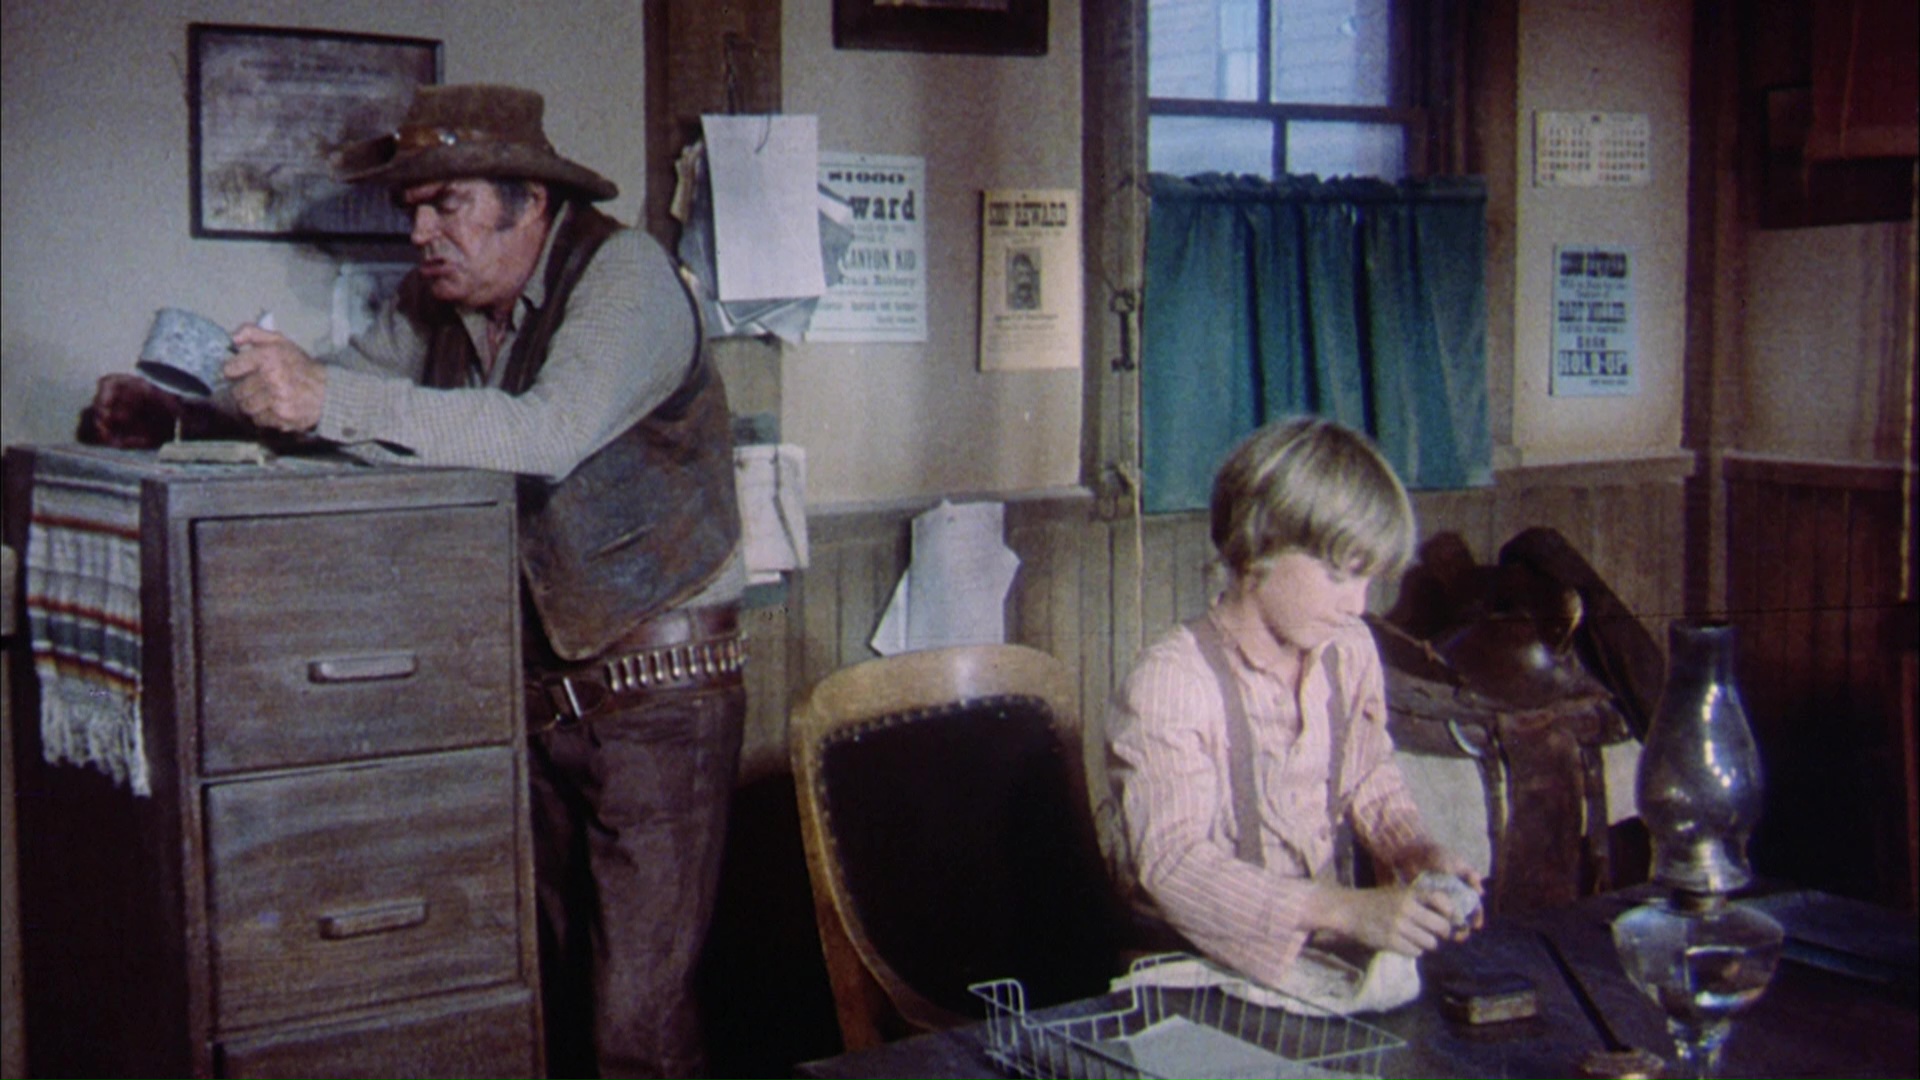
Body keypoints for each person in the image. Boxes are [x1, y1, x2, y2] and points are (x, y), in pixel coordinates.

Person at [83, 84, 745, 1080]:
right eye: (412, 209)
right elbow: (334, 401)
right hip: (532, 694)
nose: (421, 234)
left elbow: (546, 433)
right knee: (555, 1001)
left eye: (448, 205)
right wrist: (184, 413)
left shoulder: (628, 274)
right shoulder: (439, 304)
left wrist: (325, 396)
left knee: (636, 1031)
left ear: (529, 201)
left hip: (659, 699)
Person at [1105, 416, 1482, 999]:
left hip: (1320, 961)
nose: (1357, 605)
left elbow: (1368, 776)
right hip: (1195, 971)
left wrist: (1414, 849)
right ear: (1259, 547)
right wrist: (1344, 910)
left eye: (1368, 580)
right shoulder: (1173, 682)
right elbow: (1175, 866)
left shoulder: (1347, 649)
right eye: (1337, 577)